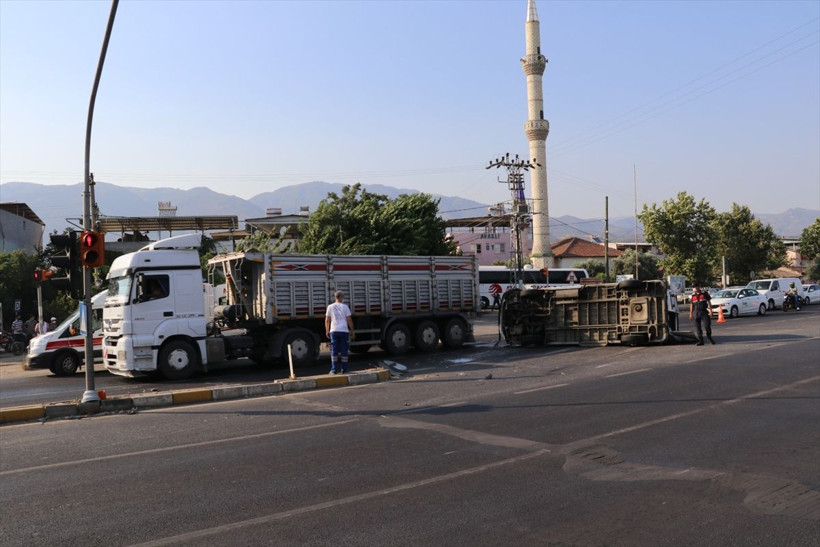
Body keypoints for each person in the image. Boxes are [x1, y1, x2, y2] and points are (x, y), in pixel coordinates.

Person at [325, 290, 355, 374]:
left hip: (334, 330)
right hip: (343, 331)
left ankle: (334, 369)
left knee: (334, 350)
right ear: (341, 297)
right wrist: (352, 330)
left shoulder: (330, 307)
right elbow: (349, 319)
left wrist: (327, 330)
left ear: (335, 297)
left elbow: (327, 320)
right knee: (344, 349)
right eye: (343, 297)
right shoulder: (345, 307)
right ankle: (344, 369)